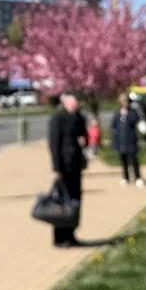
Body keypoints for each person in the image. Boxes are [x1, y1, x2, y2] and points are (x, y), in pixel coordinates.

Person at [47, 92, 87, 248]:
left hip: (76, 165)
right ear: (66, 103)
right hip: (63, 166)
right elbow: (54, 144)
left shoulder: (78, 118)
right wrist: (56, 167)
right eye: (74, 103)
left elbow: (84, 135)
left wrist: (84, 140)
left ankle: (71, 234)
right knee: (62, 201)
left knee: (75, 201)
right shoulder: (57, 118)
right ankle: (59, 237)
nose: (76, 106)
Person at [110, 95, 144, 187]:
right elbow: (113, 125)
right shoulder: (117, 112)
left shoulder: (133, 112)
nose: (124, 103)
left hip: (131, 139)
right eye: (122, 101)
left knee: (133, 159)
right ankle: (126, 177)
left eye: (125, 101)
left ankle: (138, 177)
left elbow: (135, 120)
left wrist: (127, 115)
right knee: (123, 160)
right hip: (121, 140)